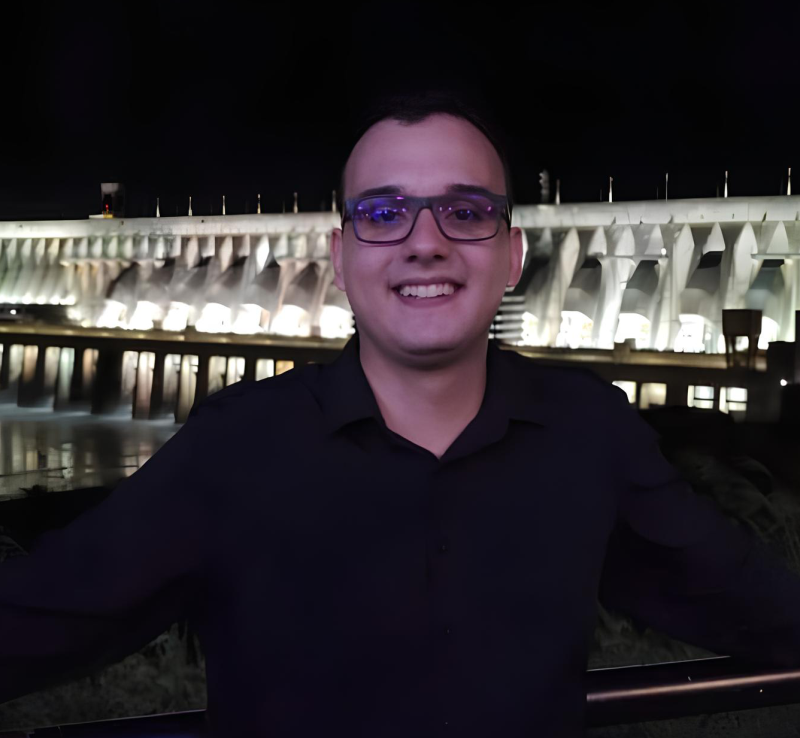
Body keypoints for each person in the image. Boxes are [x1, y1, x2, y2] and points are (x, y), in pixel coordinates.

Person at [3, 88, 800, 737]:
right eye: (383, 214)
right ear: (339, 258)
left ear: (513, 255)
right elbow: (42, 619)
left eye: (466, 212)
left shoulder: (588, 435)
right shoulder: (238, 446)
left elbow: (750, 605)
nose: (426, 243)